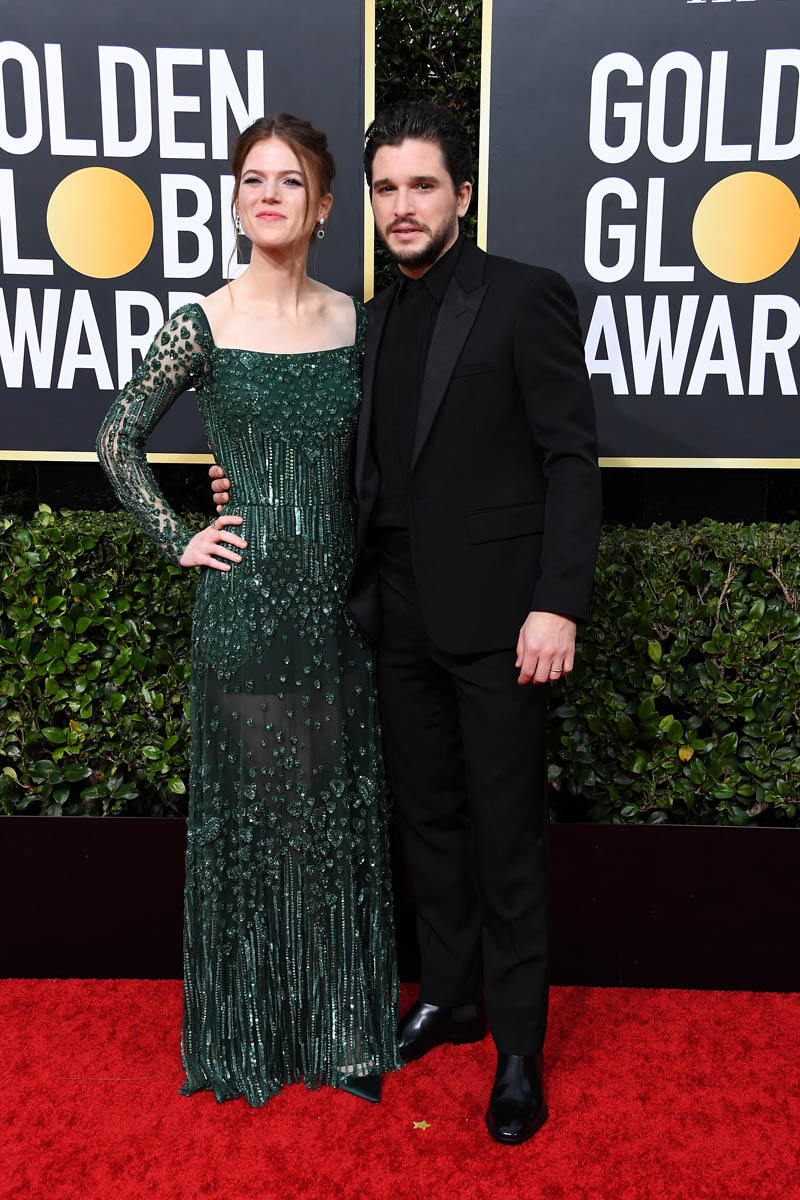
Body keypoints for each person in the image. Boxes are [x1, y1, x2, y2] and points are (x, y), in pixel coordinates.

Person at [211, 100, 602, 1143]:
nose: (402, 205)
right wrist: (237, 476)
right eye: (386, 187)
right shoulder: (368, 321)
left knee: (506, 834)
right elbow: (332, 452)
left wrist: (556, 602)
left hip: (502, 622)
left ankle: (516, 1048)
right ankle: (451, 996)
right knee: (425, 823)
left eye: (421, 184)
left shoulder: (523, 297)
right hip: (394, 616)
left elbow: (571, 460)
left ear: (461, 194)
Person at [97, 113, 401, 1108]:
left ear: (324, 206)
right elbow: (116, 438)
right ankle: (248, 1031)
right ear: (235, 202)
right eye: (252, 179)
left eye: (289, 180)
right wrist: (180, 533)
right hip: (247, 606)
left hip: (340, 607)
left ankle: (338, 1026)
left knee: (332, 816)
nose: (268, 194)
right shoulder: (204, 322)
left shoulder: (360, 323)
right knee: (259, 820)